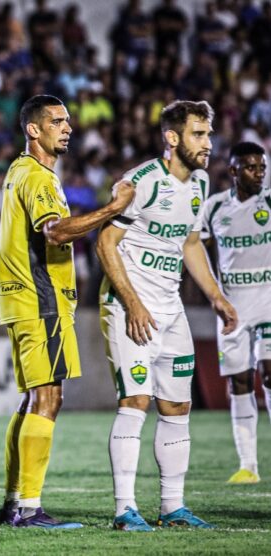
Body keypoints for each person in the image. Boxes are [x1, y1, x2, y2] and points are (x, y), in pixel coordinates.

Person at [0, 95, 135, 528]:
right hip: (42, 301)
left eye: (68, 122)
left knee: (32, 398)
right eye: (57, 121)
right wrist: (113, 208)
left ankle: (15, 502)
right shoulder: (37, 177)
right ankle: (30, 508)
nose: (68, 128)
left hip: (22, 300)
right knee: (49, 398)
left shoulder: (19, 171)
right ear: (33, 129)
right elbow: (55, 231)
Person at [98, 100, 237, 531]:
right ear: (172, 137)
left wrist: (217, 297)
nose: (208, 143)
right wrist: (133, 303)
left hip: (170, 308)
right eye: (199, 134)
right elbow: (106, 243)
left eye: (209, 134)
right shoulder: (142, 182)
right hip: (128, 306)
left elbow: (191, 243)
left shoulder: (198, 183)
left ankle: (172, 508)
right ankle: (125, 510)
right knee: (136, 401)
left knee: (177, 405)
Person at [199, 142, 271, 485]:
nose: (259, 173)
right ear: (233, 171)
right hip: (232, 307)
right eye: (251, 167)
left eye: (262, 167)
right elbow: (196, 251)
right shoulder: (213, 209)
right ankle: (248, 466)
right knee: (239, 382)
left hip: (269, 302)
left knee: (269, 373)